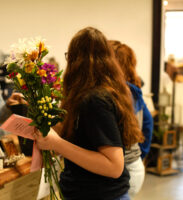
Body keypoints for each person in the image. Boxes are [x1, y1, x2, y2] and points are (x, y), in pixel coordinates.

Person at [33, 27, 144, 200]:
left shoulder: (95, 100)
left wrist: (57, 144)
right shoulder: (92, 95)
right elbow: (85, 139)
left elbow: (114, 166)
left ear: (76, 60)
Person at [109, 40, 153, 197]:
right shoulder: (133, 90)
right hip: (132, 166)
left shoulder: (121, 93)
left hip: (125, 168)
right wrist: (139, 156)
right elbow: (147, 124)